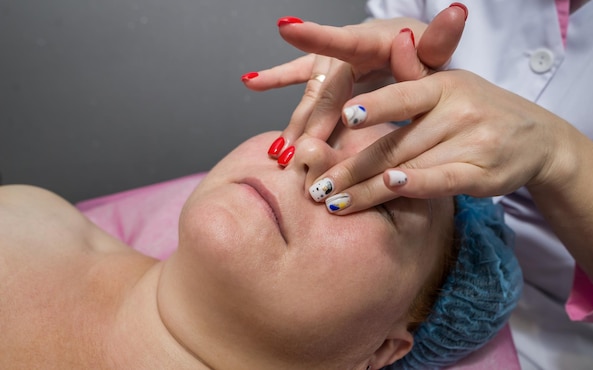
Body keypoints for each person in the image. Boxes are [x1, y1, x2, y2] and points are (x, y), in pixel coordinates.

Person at [241, 0, 593, 369]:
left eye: (386, 209)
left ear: (383, 351)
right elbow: (375, 74)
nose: (311, 152)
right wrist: (387, 48)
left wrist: (558, 155)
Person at [0, 120, 521, 369]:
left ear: (381, 350)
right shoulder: (33, 216)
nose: (311, 154)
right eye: (328, 131)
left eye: (384, 200)